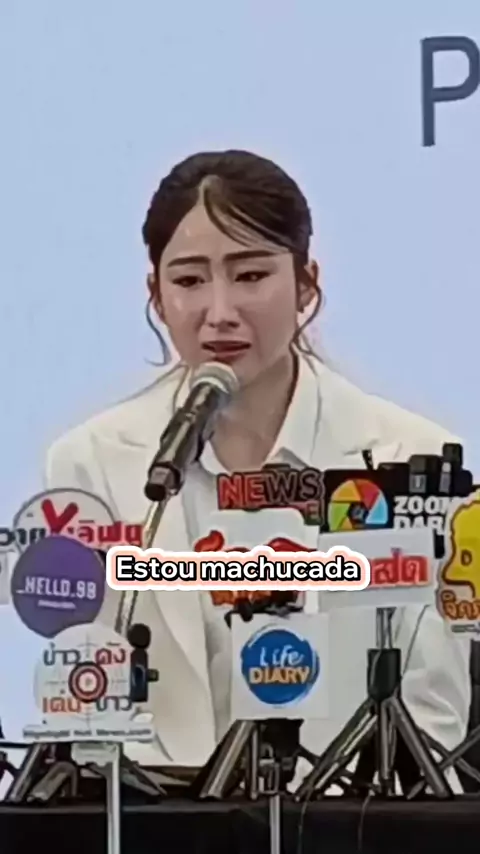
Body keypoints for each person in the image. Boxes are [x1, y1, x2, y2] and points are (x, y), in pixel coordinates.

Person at [45, 150, 470, 775]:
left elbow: (431, 721)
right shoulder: (90, 466)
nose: (220, 312)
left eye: (249, 275)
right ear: (156, 295)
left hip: (345, 817)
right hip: (151, 816)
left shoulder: (410, 461)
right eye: (190, 281)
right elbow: (86, 704)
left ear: (305, 285)